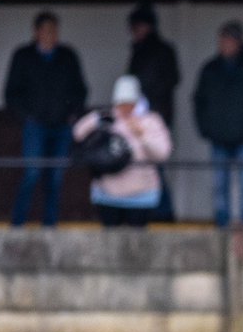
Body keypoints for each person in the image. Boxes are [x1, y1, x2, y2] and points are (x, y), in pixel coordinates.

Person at [4, 11, 88, 227]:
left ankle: (50, 226)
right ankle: (17, 223)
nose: (51, 35)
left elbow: (80, 90)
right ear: (37, 32)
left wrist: (72, 115)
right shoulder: (23, 56)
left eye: (54, 30)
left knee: (56, 177)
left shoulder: (68, 56)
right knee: (32, 173)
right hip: (35, 126)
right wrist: (27, 117)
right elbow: (11, 93)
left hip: (62, 126)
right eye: (47, 30)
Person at [73, 75, 172, 227]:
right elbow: (78, 133)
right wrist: (97, 118)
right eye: (121, 103)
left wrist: (142, 135)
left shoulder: (151, 120)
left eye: (129, 104)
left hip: (141, 195)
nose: (125, 108)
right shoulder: (108, 118)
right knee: (110, 240)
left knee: (137, 242)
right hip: (107, 193)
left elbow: (162, 154)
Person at [193, 20, 243, 228]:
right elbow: (199, 101)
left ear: (239, 42)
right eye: (222, 40)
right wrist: (206, 129)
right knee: (219, 186)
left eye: (229, 40)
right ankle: (222, 225)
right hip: (218, 137)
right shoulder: (210, 69)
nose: (225, 44)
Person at [127, 2, 180, 221]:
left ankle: (163, 212)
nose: (134, 32)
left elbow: (170, 80)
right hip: (144, 117)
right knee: (147, 167)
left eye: (137, 27)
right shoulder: (139, 51)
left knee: (154, 166)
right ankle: (154, 211)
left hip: (155, 118)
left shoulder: (160, 51)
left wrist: (147, 103)